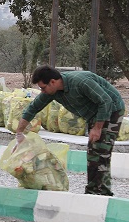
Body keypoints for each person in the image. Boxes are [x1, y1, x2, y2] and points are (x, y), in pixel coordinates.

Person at [13, 65, 125, 196]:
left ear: (53, 82)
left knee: (101, 151)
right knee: (93, 153)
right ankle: (93, 191)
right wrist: (19, 135)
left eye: (43, 87)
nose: (42, 91)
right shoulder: (52, 91)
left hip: (112, 109)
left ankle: (102, 193)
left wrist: (98, 128)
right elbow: (32, 109)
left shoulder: (80, 82)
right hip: (94, 114)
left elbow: (106, 101)